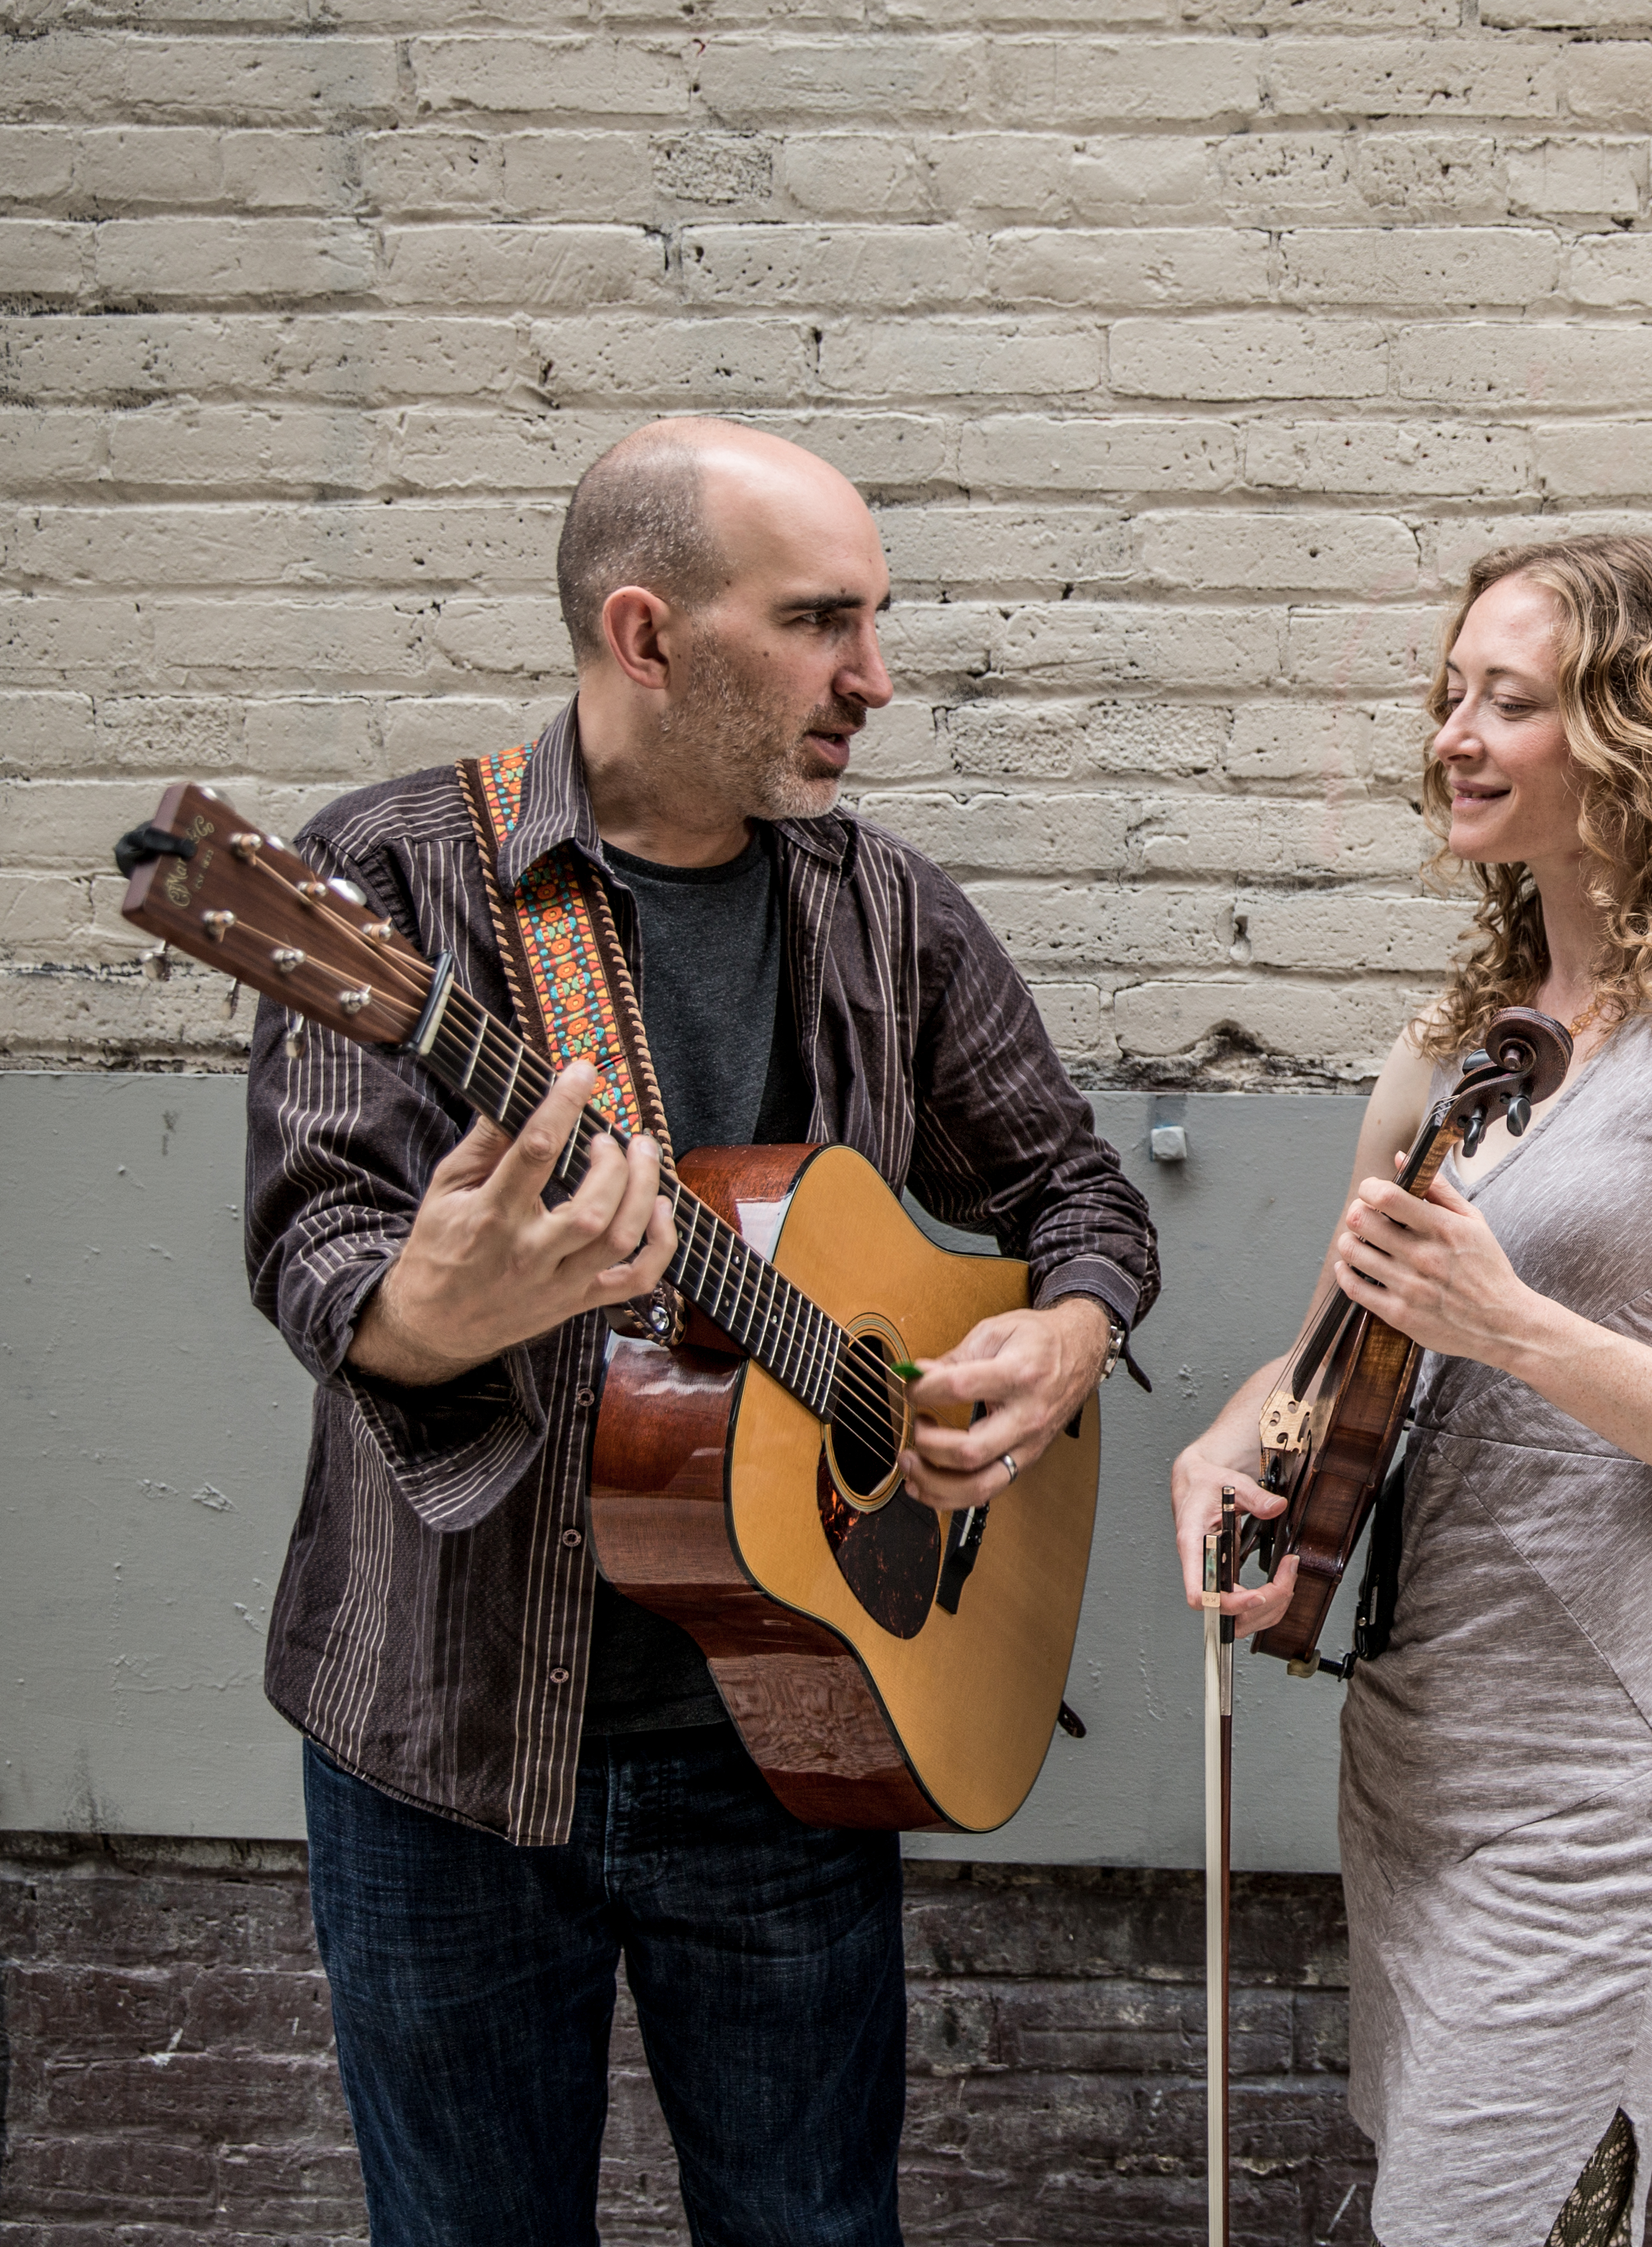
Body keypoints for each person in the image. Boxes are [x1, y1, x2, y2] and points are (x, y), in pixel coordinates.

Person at [243, 417, 1155, 2243]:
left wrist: (1063, 1338)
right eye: (822, 622)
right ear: (646, 635)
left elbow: (1077, 1190)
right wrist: (435, 1310)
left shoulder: (885, 908)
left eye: (873, 622)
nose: (874, 679)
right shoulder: (393, 890)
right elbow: (324, 1256)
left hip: (798, 1737)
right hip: (458, 1745)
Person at [1167, 534, 1652, 2247]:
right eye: (1450, 695)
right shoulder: (1455, 1040)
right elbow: (1343, 1342)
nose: (1454, 736)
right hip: (1412, 1759)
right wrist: (1228, 1433)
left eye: (1513, 701)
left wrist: (1519, 1328)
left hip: (1597, 1788)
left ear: (1640, 730)